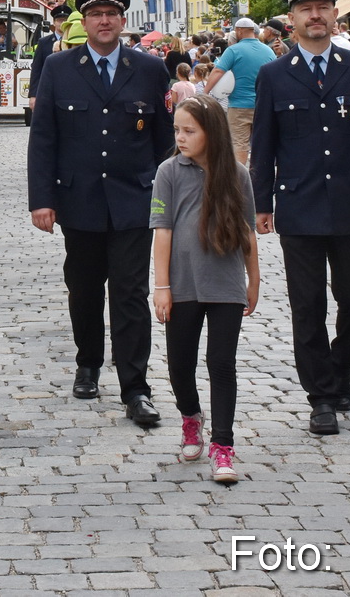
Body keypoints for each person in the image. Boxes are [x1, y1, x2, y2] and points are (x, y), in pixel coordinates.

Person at [249, 0, 350, 436]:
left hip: (349, 202)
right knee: (307, 305)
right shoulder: (275, 75)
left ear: (335, 14)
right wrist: (261, 201)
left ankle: (342, 365)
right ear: (291, 18)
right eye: (305, 8)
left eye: (322, 7)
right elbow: (264, 144)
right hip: (299, 205)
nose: (315, 15)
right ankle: (321, 396)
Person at [28, 0, 173, 428]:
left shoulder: (149, 70)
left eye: (111, 13)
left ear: (122, 20)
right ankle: (88, 363)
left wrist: (164, 195)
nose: (104, 21)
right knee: (85, 288)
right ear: (84, 21)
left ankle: (136, 388)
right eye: (96, 14)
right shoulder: (59, 68)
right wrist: (42, 199)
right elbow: (44, 139)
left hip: (134, 199)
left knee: (130, 293)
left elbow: (164, 141)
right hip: (80, 199)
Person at [151, 95, 259, 485]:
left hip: (225, 282)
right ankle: (190, 417)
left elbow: (248, 231)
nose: (180, 137)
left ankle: (223, 445)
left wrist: (254, 280)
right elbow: (162, 231)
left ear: (210, 133)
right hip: (182, 283)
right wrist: (161, 286)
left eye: (189, 131)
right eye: (177, 130)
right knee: (180, 364)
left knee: (221, 363)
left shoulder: (238, 174)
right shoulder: (168, 171)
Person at [205, 17, 275, 165]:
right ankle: (259, 174)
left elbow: (218, 71)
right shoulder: (268, 51)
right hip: (262, 105)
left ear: (239, 31)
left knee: (239, 144)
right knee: (262, 143)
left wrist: (204, 93)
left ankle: (240, 176)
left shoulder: (233, 50)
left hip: (238, 105)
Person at [29, 5, 71, 110]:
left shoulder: (74, 42)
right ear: (54, 22)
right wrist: (33, 95)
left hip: (70, 90)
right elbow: (36, 70)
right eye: (59, 20)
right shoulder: (43, 43)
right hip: (48, 89)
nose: (62, 23)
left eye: (65, 20)